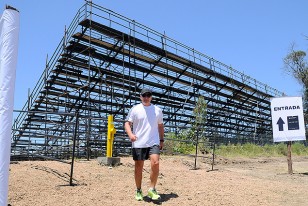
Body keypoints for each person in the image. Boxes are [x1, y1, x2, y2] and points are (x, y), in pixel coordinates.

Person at [124, 88, 164, 201]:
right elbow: (127, 123)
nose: (146, 98)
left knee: (155, 163)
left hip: (153, 141)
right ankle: (138, 190)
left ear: (151, 97)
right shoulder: (135, 109)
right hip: (138, 142)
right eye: (144, 95)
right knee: (138, 168)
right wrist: (131, 134)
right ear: (140, 97)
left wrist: (161, 140)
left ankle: (152, 189)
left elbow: (160, 126)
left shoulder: (158, 110)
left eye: (148, 95)